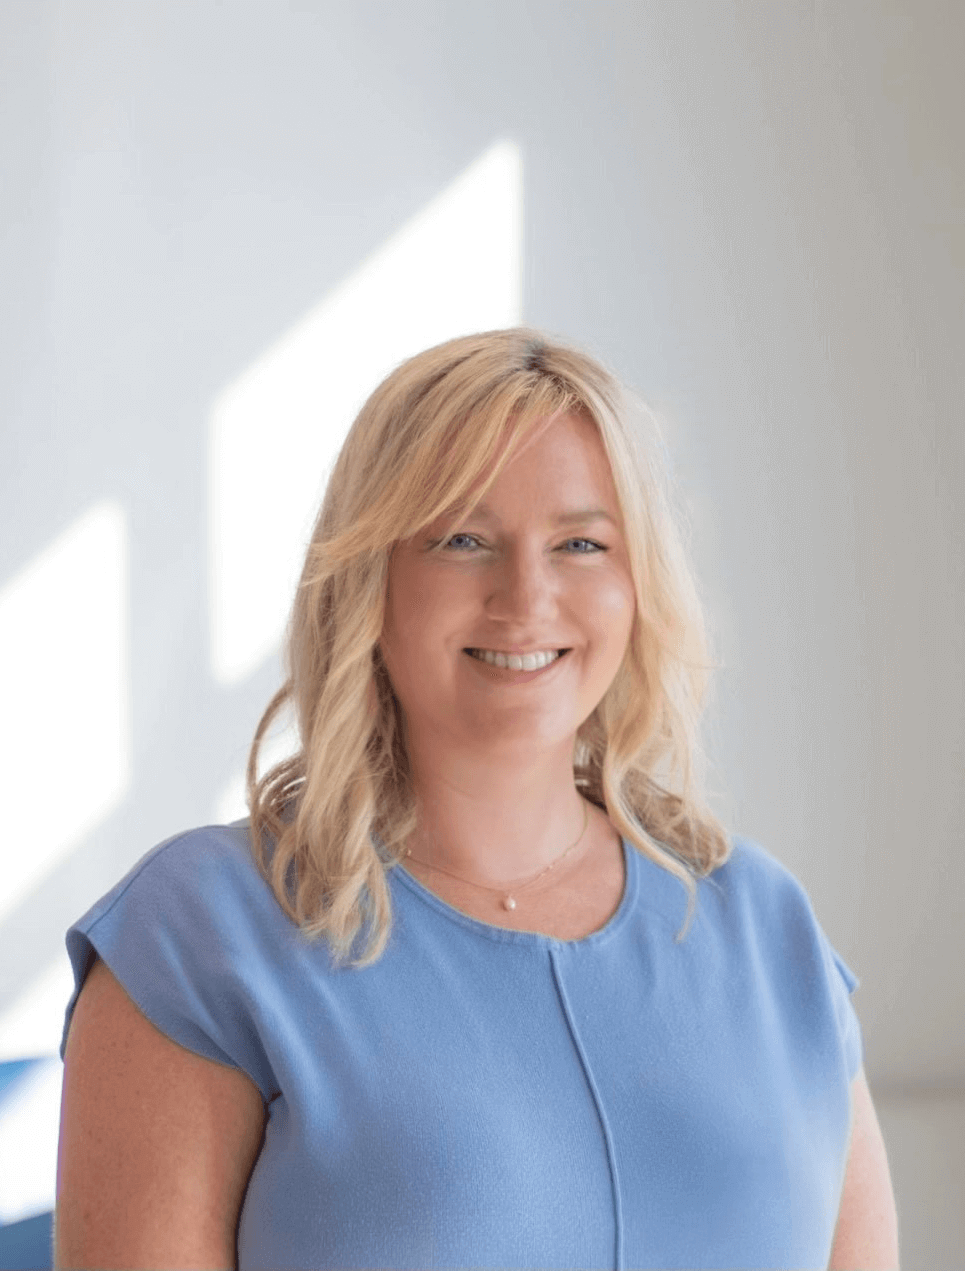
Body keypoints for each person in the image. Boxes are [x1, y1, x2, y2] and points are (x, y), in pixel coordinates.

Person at [54, 329, 898, 1270]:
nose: (526, 595)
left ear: (636, 585)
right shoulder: (198, 937)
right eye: (463, 540)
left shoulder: (766, 927)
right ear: (371, 581)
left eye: (581, 542)